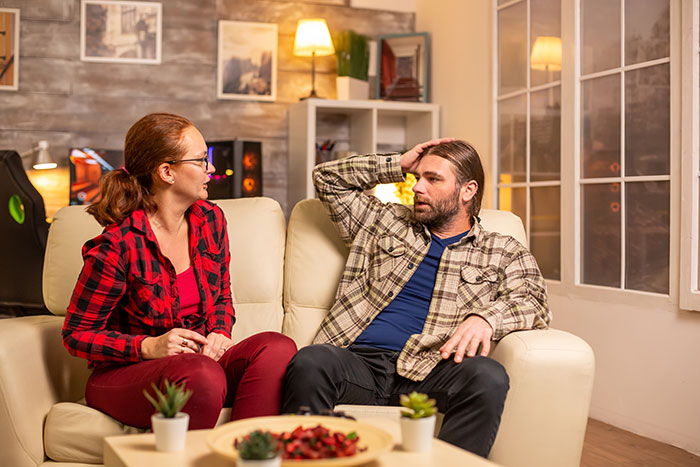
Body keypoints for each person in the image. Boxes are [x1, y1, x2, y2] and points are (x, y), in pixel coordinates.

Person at [281, 139, 551, 457]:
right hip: (359, 364)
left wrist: (486, 318)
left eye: (433, 179)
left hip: (429, 371)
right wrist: (398, 165)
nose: (417, 188)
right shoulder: (383, 221)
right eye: (417, 178)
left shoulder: (502, 250)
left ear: (468, 190)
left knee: (487, 376)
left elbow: (534, 301)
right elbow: (328, 178)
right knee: (312, 360)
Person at [62, 113, 297, 430]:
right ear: (166, 172)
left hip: (200, 366)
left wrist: (219, 331)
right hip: (128, 375)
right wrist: (149, 347)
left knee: (277, 347)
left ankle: (245, 453)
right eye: (202, 160)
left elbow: (222, 295)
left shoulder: (210, 219)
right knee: (202, 373)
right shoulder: (119, 245)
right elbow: (76, 335)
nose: (210, 169)